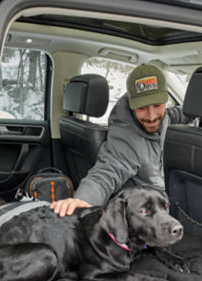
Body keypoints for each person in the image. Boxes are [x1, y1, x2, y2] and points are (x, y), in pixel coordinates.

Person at [51, 63, 189, 216]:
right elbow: (105, 174)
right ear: (130, 100)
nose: (151, 116)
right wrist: (83, 201)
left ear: (166, 95)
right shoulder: (125, 136)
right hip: (154, 212)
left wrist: (199, 112)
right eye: (141, 108)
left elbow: (174, 114)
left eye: (157, 105)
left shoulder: (163, 116)